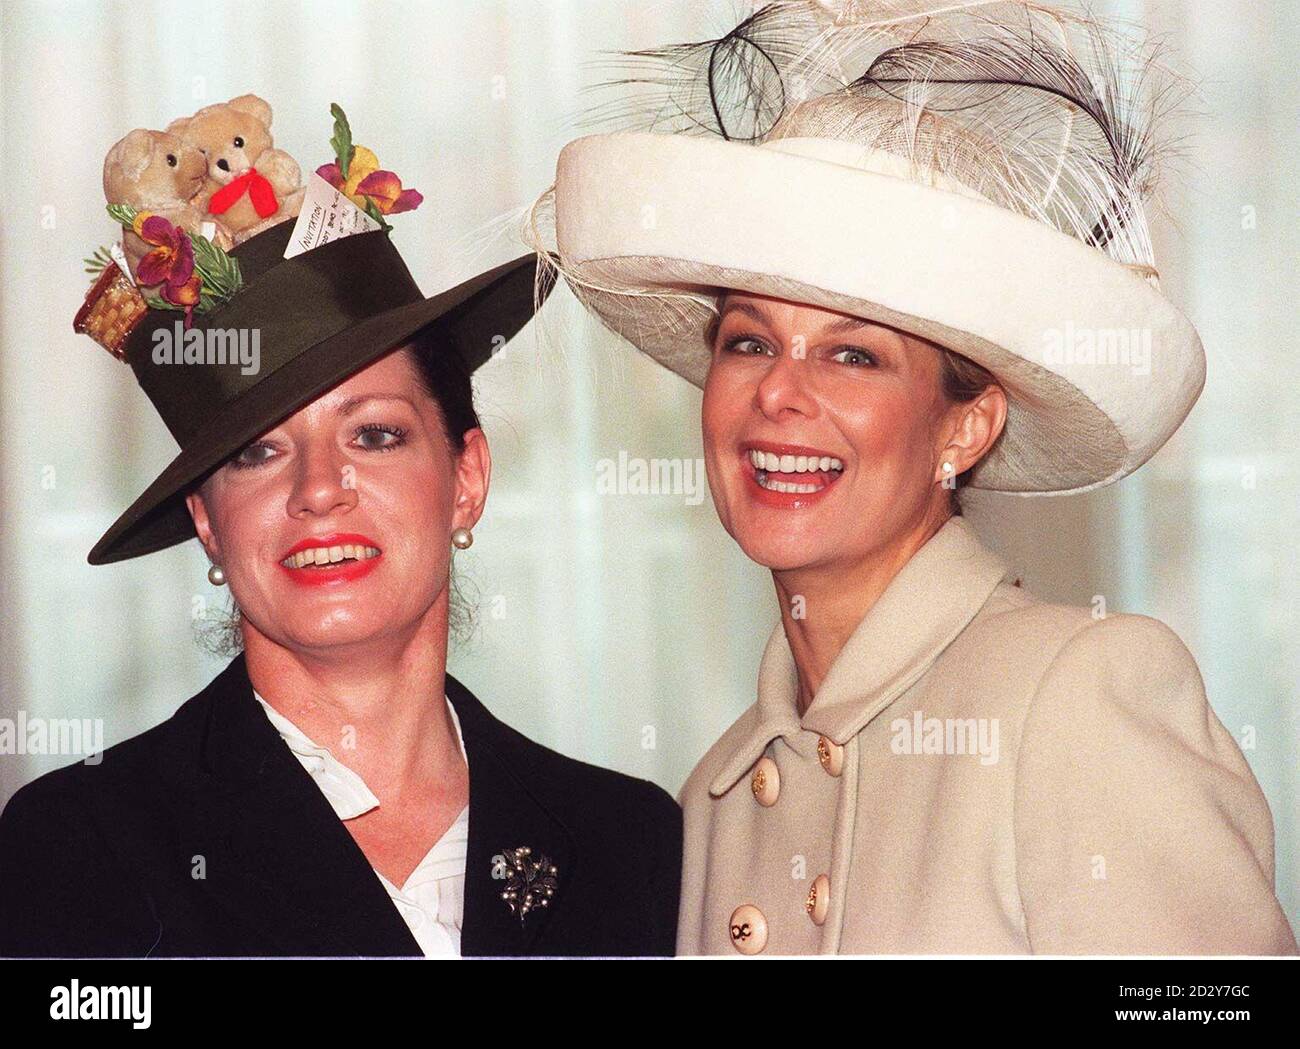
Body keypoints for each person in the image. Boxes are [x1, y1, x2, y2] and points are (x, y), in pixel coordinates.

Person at [531, 2, 1297, 954]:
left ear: (966, 427)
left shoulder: (1073, 694)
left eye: (853, 357)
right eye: (749, 340)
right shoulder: (716, 796)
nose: (778, 392)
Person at [0, 99, 681, 958]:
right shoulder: (78, 850)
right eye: (258, 452)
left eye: (375, 434)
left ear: (466, 478)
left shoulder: (635, 847)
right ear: (207, 523)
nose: (319, 488)